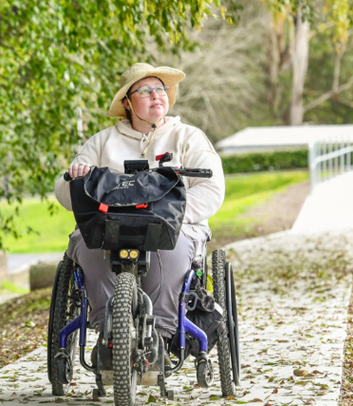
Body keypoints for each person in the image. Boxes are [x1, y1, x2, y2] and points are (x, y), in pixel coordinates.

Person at [54, 62, 225, 346]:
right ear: (127, 103)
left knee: (170, 248)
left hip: (174, 226)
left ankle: (160, 335)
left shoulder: (188, 137)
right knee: (88, 244)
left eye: (160, 89)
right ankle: (108, 337)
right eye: (146, 91)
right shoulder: (101, 143)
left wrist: (172, 215)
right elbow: (63, 192)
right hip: (109, 228)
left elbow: (211, 188)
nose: (156, 95)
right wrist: (77, 178)